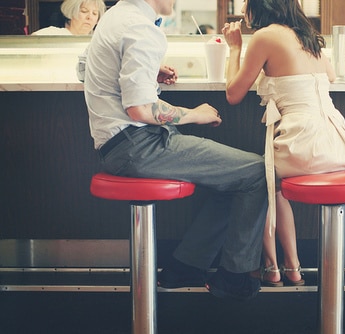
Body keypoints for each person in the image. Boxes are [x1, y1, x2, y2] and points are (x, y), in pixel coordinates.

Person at [83, 0, 268, 301]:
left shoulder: (118, 16)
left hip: (121, 144)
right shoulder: (140, 27)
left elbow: (119, 80)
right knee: (257, 172)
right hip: (138, 146)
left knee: (231, 178)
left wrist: (148, 75)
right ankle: (235, 277)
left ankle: (186, 266)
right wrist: (196, 114)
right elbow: (140, 108)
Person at [222, 0, 345, 286]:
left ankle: (274, 266)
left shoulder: (264, 36)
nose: (244, 5)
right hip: (337, 142)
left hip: (304, 143)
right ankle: (291, 266)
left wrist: (234, 47)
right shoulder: (308, 36)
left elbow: (233, 93)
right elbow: (330, 76)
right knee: (273, 183)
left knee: (262, 180)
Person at [32, 0, 106, 36]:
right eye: (84, 11)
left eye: (94, 13)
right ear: (71, 13)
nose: (89, 17)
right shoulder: (54, 33)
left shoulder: (98, 41)